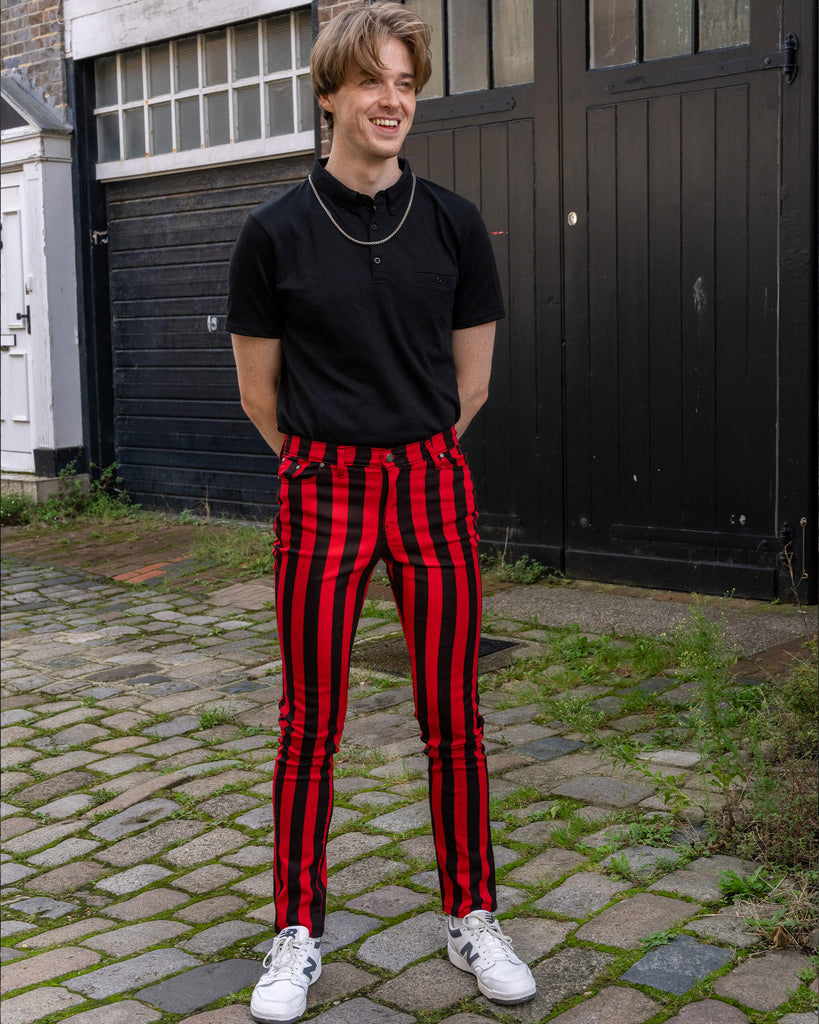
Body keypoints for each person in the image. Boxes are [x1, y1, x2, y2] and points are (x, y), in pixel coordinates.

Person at [226, 3, 536, 1020]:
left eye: (405, 81)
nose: (393, 99)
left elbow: (472, 384)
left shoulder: (450, 222)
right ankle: (298, 931)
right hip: (321, 490)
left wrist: (410, 459)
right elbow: (258, 396)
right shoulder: (272, 233)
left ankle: (473, 913)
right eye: (373, 82)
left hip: (431, 487)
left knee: (453, 716)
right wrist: (326, 464)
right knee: (309, 722)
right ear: (331, 95)